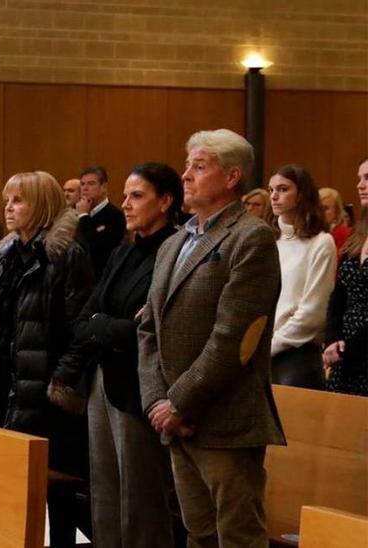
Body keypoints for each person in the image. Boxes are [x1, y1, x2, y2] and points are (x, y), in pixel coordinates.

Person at [138, 129, 285, 548]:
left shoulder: (250, 237)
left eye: (199, 167)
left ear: (232, 177)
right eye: (187, 165)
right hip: (175, 421)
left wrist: (178, 403)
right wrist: (156, 401)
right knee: (198, 535)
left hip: (225, 422)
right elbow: (148, 328)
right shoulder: (173, 243)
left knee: (237, 538)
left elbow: (233, 337)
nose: (186, 175)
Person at [54, 163, 183, 548]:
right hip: (102, 380)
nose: (125, 204)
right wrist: (109, 325)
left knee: (140, 499)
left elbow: (146, 330)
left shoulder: (173, 252)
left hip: (141, 387)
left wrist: (105, 325)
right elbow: (84, 319)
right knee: (105, 493)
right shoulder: (123, 252)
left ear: (166, 201)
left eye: (137, 196)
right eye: (125, 196)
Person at [0, 171, 92, 548]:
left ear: (41, 205)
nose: (8, 209)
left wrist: (60, 382)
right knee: (8, 479)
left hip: (43, 389)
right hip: (4, 383)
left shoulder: (66, 254)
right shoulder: (9, 255)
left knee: (55, 488)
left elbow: (80, 329)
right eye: (7, 201)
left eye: (18, 201)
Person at [268, 164, 336, 389]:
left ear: (301, 194)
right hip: (260, 355)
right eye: (271, 190)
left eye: (283, 189)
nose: (274, 196)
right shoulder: (268, 240)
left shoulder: (320, 242)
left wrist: (270, 346)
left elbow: (312, 314)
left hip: (296, 358)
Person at [324, 157, 368, 396]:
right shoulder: (358, 234)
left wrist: (347, 348)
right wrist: (332, 339)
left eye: (367, 178)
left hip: (356, 347)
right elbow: (339, 295)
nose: (360, 185)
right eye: (359, 178)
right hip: (343, 352)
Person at [75, 165, 126, 278]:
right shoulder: (75, 212)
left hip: (100, 277)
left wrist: (83, 216)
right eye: (82, 184)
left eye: (91, 183)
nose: (85, 188)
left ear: (104, 187)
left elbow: (94, 247)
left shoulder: (115, 215)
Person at [319, 187, 352, 252]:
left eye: (325, 208)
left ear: (337, 212)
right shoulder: (309, 234)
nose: (320, 211)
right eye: (318, 207)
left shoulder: (345, 234)